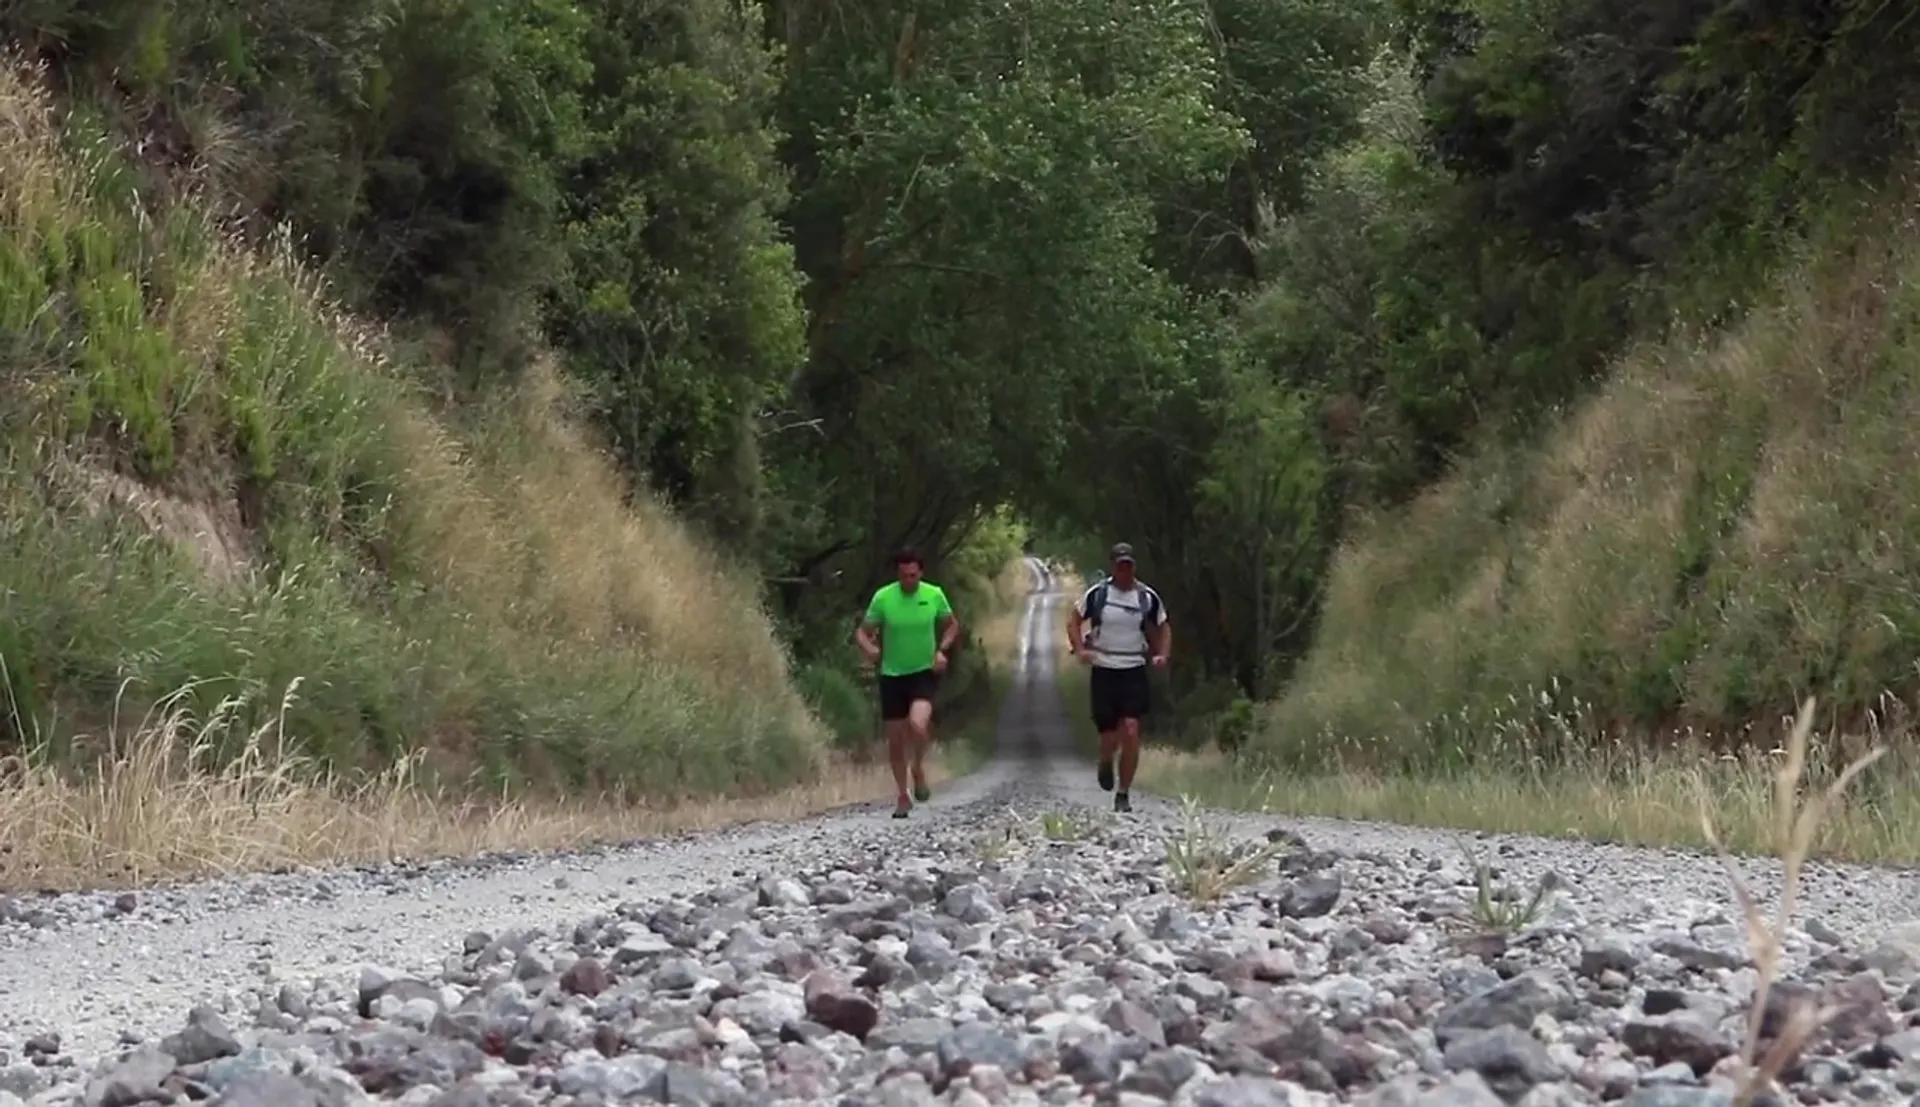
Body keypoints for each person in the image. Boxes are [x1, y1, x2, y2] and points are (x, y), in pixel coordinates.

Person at [856, 547, 960, 818]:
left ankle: (919, 767)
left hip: (923, 672)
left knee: (917, 723)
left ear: (921, 573)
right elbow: (862, 632)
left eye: (913, 575)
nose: (909, 581)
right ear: (897, 574)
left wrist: (942, 650)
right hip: (892, 675)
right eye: (903, 576)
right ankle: (902, 795)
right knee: (895, 741)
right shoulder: (884, 597)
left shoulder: (933, 594)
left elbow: (951, 625)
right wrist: (869, 649)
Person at [1066, 542, 1170, 812]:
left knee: (1132, 731)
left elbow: (1163, 626)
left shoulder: (1146, 597)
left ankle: (1123, 793)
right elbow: (1074, 620)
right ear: (1113, 566)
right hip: (1103, 669)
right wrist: (1080, 649)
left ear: (1133, 566)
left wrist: (1161, 654)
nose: (1125, 570)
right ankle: (1104, 760)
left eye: (1129, 565)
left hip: (1133, 668)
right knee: (1109, 736)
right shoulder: (1098, 594)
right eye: (1120, 565)